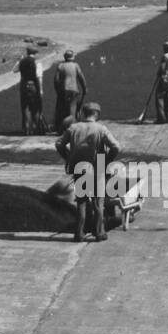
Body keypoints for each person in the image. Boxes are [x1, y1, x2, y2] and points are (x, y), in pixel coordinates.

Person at [55, 101, 121, 242]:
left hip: (80, 168)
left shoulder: (73, 128)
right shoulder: (101, 129)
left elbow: (59, 144)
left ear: (83, 113)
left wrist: (68, 156)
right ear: (97, 114)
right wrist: (106, 160)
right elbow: (116, 146)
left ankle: (79, 233)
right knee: (98, 203)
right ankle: (99, 232)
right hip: (97, 168)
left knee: (82, 202)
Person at [14, 45, 46, 134]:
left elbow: (14, 70)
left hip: (23, 86)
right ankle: (37, 129)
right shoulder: (37, 63)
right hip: (33, 86)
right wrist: (41, 90)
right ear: (35, 53)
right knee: (35, 107)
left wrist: (18, 61)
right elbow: (39, 77)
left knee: (25, 108)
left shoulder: (22, 61)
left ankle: (27, 129)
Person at [53, 49, 87, 131]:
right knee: (72, 109)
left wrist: (58, 90)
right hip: (73, 90)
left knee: (61, 109)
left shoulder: (60, 66)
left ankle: (60, 128)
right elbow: (81, 77)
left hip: (63, 90)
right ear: (72, 57)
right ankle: (72, 128)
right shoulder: (76, 65)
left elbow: (56, 80)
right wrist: (84, 88)